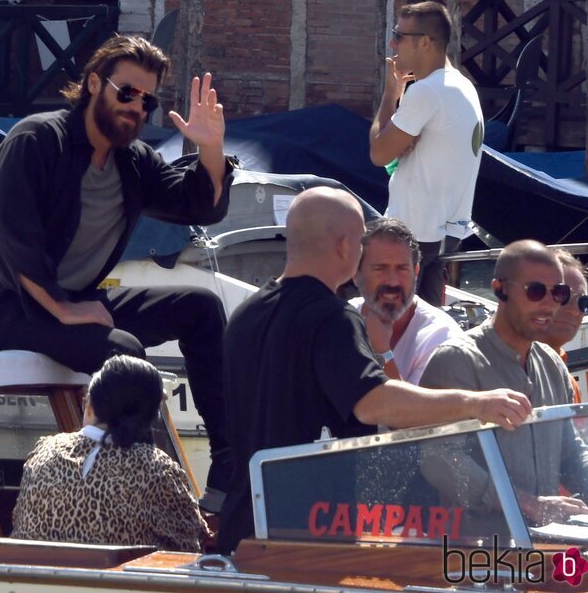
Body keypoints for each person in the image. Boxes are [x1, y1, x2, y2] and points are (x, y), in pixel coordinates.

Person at [0, 34, 235, 508]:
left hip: (72, 303)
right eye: (126, 92)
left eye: (147, 100)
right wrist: (63, 308)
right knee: (122, 350)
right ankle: (148, 492)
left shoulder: (134, 163)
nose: (136, 107)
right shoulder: (36, 140)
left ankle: (228, 466)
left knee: (201, 308)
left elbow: (198, 204)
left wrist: (211, 148)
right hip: (5, 311)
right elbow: (10, 238)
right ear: (93, 84)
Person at [216, 186, 532, 554]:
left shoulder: (243, 314)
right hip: (308, 535)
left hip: (242, 527)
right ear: (346, 247)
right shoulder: (334, 318)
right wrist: (476, 403)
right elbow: (372, 401)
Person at [420, 240, 588, 525]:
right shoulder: (457, 360)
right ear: (499, 289)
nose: (549, 304)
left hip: (545, 544)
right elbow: (438, 459)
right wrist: (526, 503)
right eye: (536, 291)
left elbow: (572, 453)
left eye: (559, 293)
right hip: (477, 551)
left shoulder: (551, 364)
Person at [11, 355, 209, 550]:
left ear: (90, 406)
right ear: (150, 416)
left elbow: (19, 522)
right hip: (121, 581)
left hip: (36, 577)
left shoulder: (43, 452)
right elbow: (190, 544)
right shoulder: (157, 470)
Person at [369, 1, 484, 307]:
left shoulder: (426, 92)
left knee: (393, 326)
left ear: (425, 42)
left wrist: (391, 93)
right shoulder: (463, 86)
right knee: (426, 328)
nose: (393, 43)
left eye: (399, 35)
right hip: (445, 234)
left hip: (413, 234)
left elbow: (379, 153)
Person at [351, 217, 463, 385]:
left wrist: (382, 352)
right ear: (356, 273)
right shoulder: (342, 319)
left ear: (416, 271)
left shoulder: (442, 338)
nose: (393, 281)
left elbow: (418, 411)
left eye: (402, 268)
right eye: (380, 269)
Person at [544, 249, 588, 402]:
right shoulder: (501, 369)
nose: (574, 310)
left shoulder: (568, 381)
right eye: (562, 295)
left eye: (583, 302)